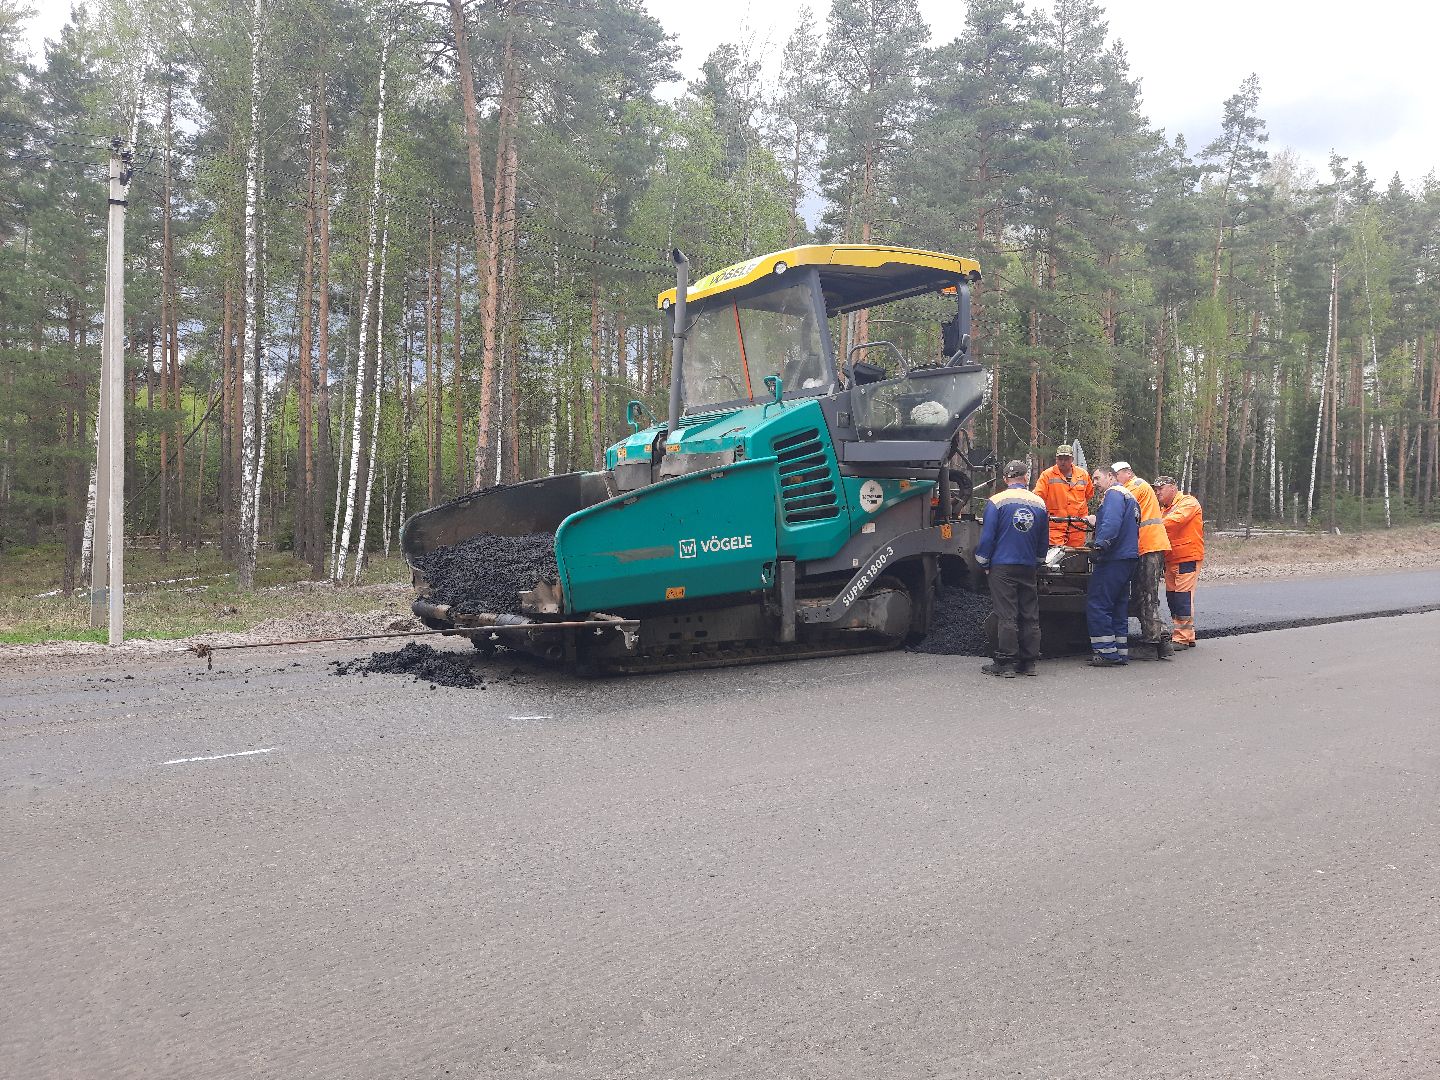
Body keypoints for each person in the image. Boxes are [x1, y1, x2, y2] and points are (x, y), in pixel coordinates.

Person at [975, 460, 1049, 678]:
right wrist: (1038, 561)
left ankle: (1006, 663)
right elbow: (1043, 540)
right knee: (1029, 614)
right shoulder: (1039, 504)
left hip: (1002, 566)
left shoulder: (996, 501)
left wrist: (983, 562)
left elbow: (987, 537)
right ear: (1026, 478)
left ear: (1005, 479)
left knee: (1007, 614)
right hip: (1027, 565)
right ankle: (1029, 662)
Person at [1113, 461, 1173, 659]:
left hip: (1150, 546)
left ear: (1128, 473)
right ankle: (1162, 638)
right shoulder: (1135, 487)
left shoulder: (1135, 486)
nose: (1114, 479)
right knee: (1144, 595)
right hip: (1147, 546)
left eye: (1116, 475)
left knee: (1146, 595)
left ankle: (1151, 644)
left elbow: (1120, 512)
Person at [1085, 466, 1139, 667]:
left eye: (1097, 478)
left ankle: (1105, 652)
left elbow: (1111, 522)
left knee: (1098, 603)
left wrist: (1099, 546)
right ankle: (1120, 651)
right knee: (1118, 606)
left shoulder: (1113, 494)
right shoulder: (1129, 497)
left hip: (1113, 558)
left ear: (1110, 476)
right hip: (1128, 557)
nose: (1094, 483)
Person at [1155, 476, 1204, 648]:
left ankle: (1182, 637)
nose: (1157, 492)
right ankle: (1186, 635)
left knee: (1183, 597)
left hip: (1187, 557)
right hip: (1170, 559)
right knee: (1173, 598)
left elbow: (1174, 521)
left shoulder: (1188, 502)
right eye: (1156, 489)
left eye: (1160, 488)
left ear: (1173, 488)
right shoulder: (1163, 509)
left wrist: (1152, 524)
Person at [1033, 443, 1093, 547]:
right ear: (1056, 459)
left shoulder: (1083, 475)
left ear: (1072, 459)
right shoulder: (1047, 475)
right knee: (1056, 554)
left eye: (1066, 459)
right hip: (1055, 526)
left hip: (1077, 526)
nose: (1063, 462)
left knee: (1076, 554)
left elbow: (1089, 494)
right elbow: (1037, 497)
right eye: (1060, 459)